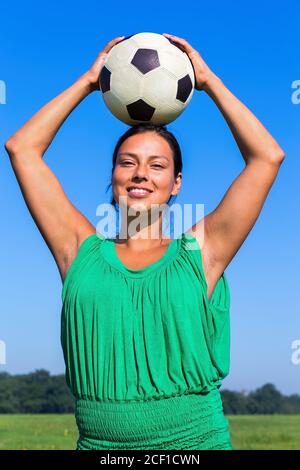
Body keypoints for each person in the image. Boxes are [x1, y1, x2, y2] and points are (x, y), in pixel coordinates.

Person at [4, 34, 285, 450]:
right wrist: (88, 81)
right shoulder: (80, 251)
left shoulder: (200, 253)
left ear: (176, 184)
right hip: (100, 448)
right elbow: (22, 147)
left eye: (157, 165)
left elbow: (267, 157)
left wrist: (210, 83)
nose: (140, 174)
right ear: (114, 175)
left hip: (195, 445)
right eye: (127, 162)